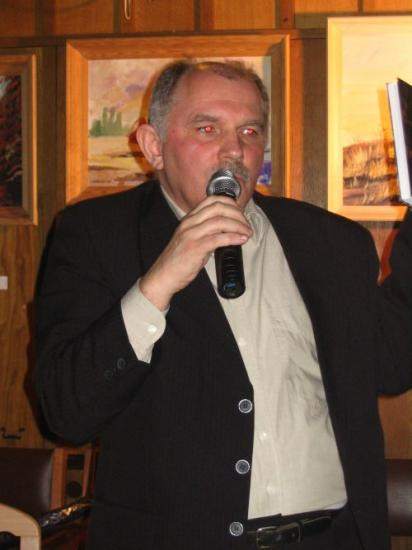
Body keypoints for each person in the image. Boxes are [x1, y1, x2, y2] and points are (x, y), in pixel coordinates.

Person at [35, 59, 412, 550]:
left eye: (250, 131)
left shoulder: (330, 241)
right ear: (153, 145)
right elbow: (66, 412)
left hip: (332, 538)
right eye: (207, 128)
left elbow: (390, 363)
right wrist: (158, 283)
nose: (234, 150)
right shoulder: (95, 235)